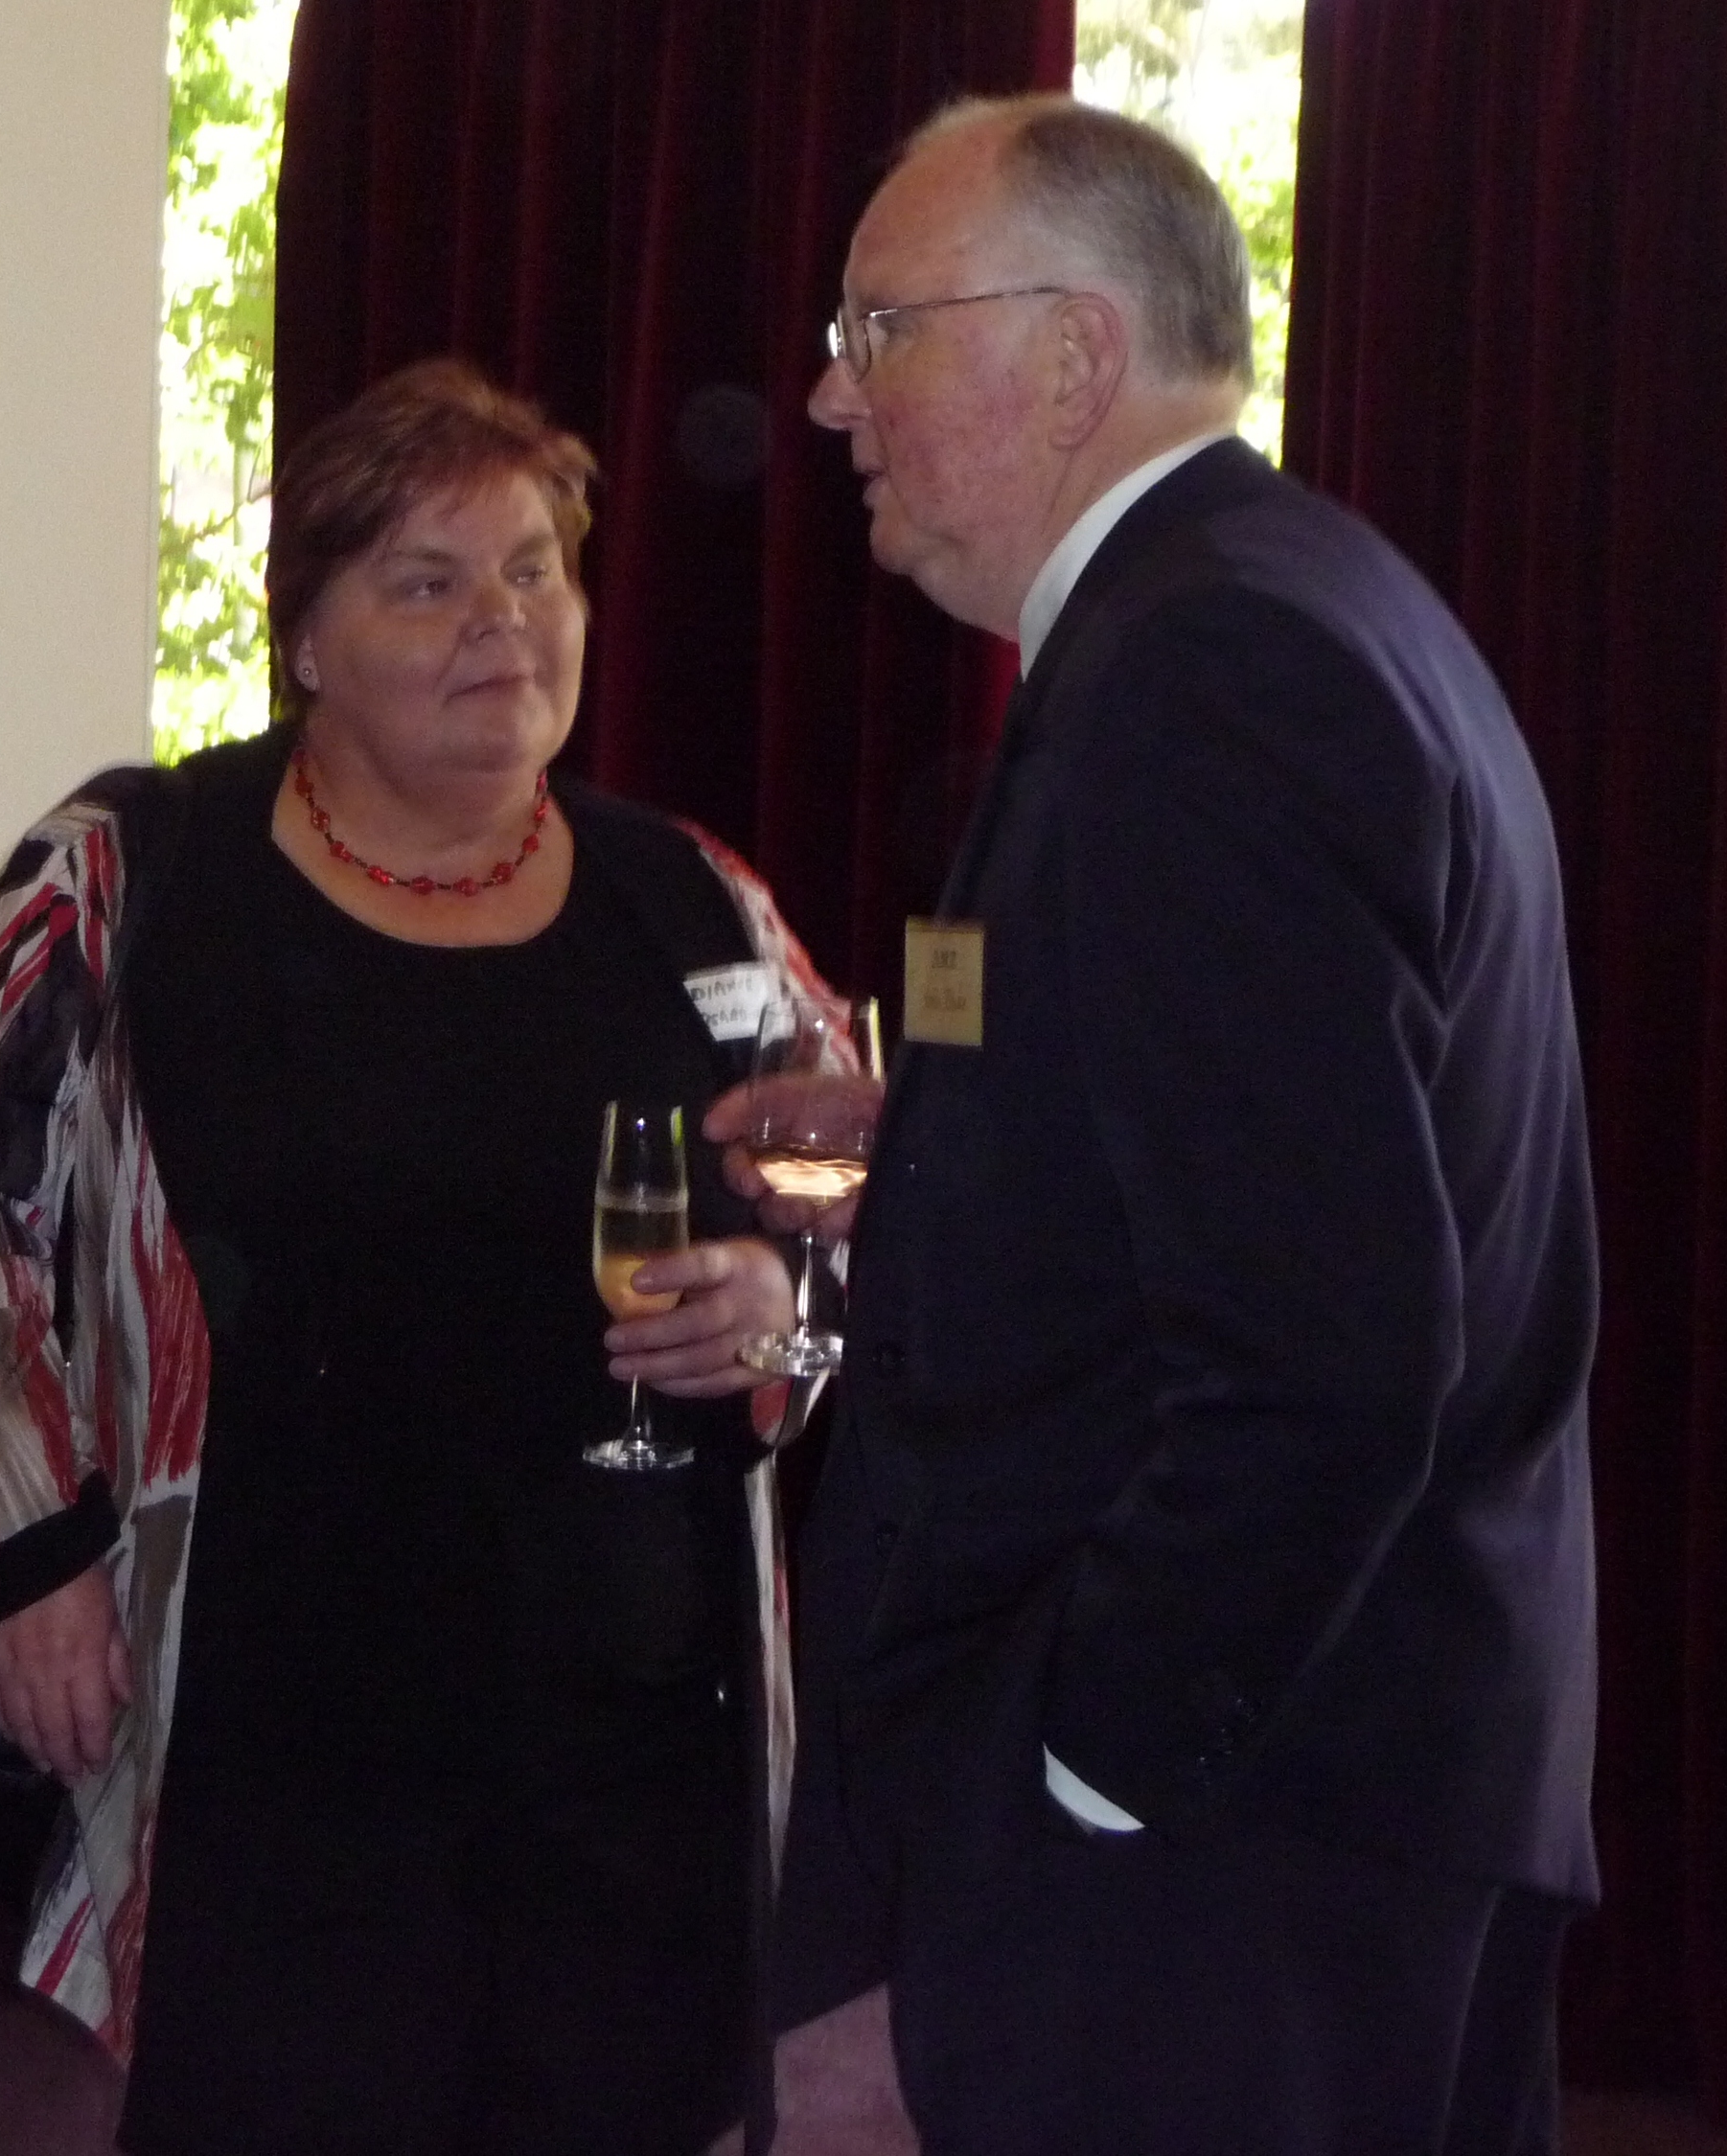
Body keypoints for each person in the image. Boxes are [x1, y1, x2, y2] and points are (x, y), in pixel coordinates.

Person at [733, 94, 1599, 2155]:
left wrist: (1083, 1782)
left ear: (1072, 355)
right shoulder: (1289, 600)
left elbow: (1332, 1351)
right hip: (1331, 1783)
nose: (828, 395)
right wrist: (942, 1143)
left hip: (1219, 1836)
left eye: (877, 328)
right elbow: (1264, 1163)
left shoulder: (1203, 668)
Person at [0, 357, 857, 2155]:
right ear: (307, 639)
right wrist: (20, 1554)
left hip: (630, 1717)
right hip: (275, 1706)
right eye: (427, 581)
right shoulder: (135, 879)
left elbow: (837, 1196)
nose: (503, 621)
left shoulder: (689, 896)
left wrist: (784, 1312)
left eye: (534, 570)